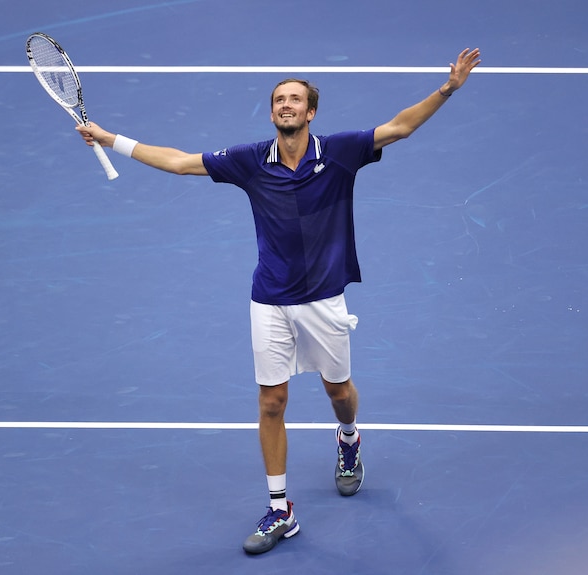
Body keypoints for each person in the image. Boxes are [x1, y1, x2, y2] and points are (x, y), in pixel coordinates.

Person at [77, 47, 481, 554]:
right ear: (273, 114)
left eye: (295, 99)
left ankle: (349, 438)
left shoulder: (340, 151)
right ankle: (280, 508)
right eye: (278, 100)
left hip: (323, 301)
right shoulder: (247, 161)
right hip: (268, 298)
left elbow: (399, 128)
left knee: (339, 393)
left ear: (310, 112)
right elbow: (180, 163)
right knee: (272, 400)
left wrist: (447, 89)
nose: (285, 105)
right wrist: (110, 139)